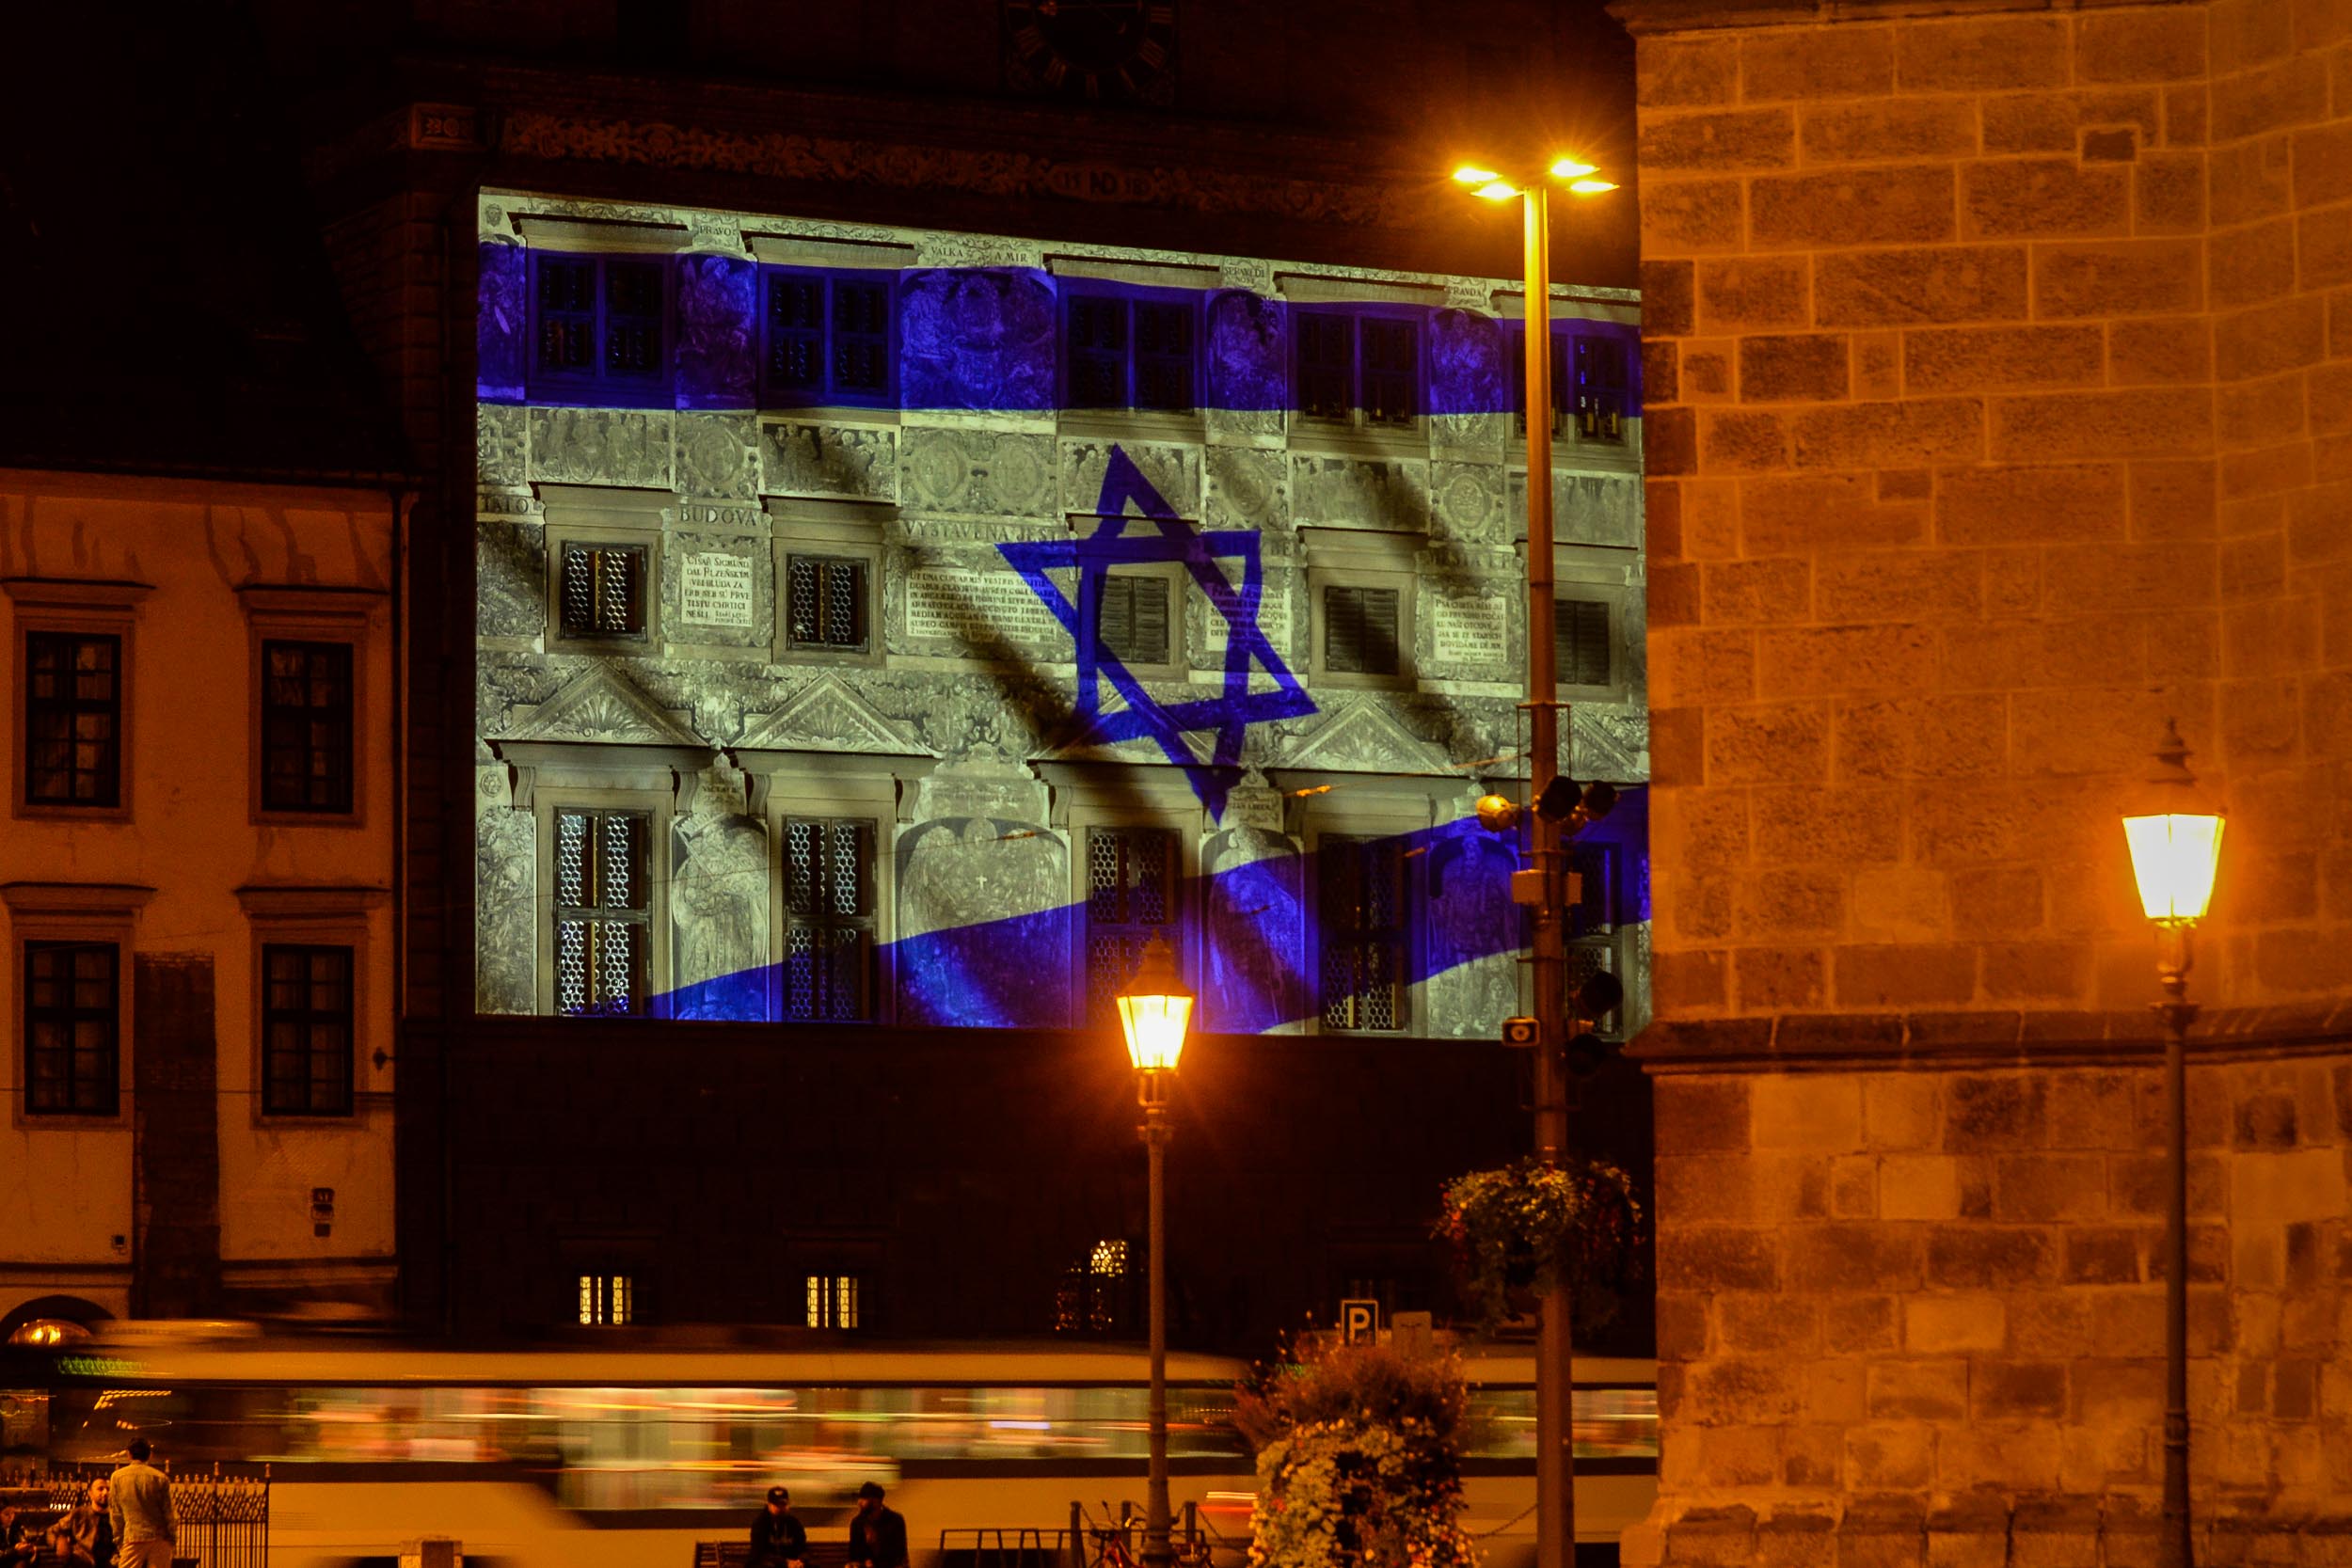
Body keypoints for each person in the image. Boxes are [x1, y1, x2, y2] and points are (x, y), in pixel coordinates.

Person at [106, 1438, 173, 1568]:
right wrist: (171, 1537)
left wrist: (119, 1540)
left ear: (128, 1454)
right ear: (150, 1455)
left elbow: (116, 1513)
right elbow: (168, 1511)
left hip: (133, 1535)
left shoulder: (117, 1477)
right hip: (159, 1537)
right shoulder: (160, 1478)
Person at [51, 1477, 116, 1568]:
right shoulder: (79, 1514)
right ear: (90, 1493)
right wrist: (61, 1541)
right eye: (100, 1489)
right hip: (83, 1563)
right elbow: (55, 1530)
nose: (105, 1493)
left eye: (108, 1489)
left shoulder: (117, 1517)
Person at [845, 1481, 907, 1568]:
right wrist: (864, 1562)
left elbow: (899, 1554)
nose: (859, 1502)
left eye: (864, 1498)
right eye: (860, 1498)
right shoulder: (857, 1523)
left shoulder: (895, 1520)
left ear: (876, 1501)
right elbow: (854, 1555)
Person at [749, 1486, 806, 1568]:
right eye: (776, 1504)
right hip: (768, 1564)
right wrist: (786, 1562)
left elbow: (802, 1548)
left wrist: (800, 1561)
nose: (780, 1507)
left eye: (783, 1504)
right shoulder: (760, 1523)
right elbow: (759, 1553)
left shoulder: (794, 1523)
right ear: (769, 1505)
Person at [0, 1504, 44, 1568]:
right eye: (6, 1514)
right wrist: (15, 1551)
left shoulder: (17, 1528)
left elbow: (23, 1542)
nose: (11, 1517)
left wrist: (30, 1550)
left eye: (13, 1513)